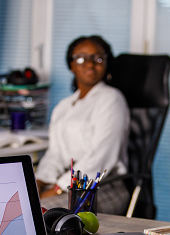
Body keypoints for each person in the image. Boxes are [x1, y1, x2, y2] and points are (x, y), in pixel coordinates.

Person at [36, 35, 130, 215]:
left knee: (42, 213)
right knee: (23, 205)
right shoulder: (64, 106)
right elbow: (55, 153)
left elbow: (100, 157)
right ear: (71, 65)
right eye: (81, 58)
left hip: (102, 187)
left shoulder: (111, 99)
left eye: (98, 58)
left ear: (106, 63)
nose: (90, 64)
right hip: (67, 183)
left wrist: (58, 188)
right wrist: (39, 182)